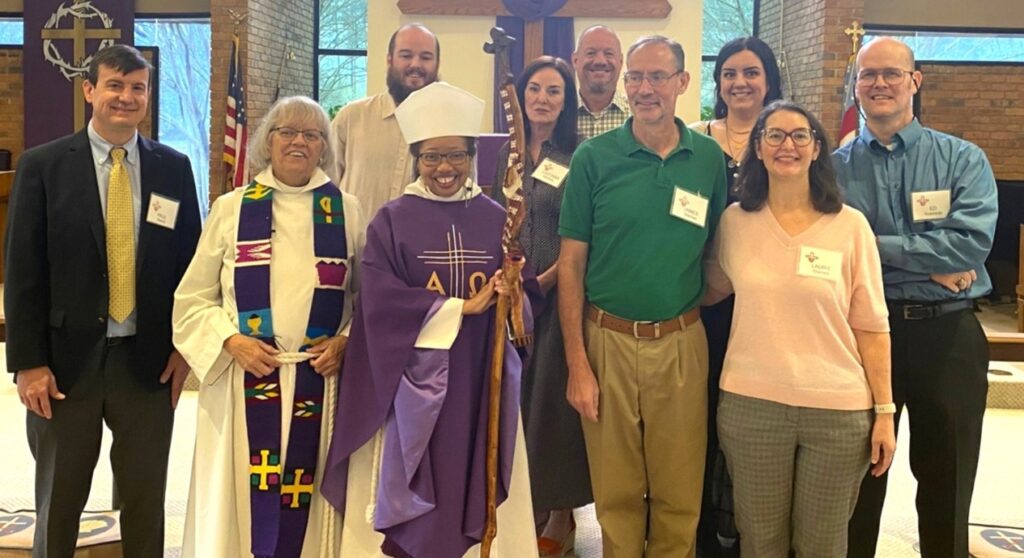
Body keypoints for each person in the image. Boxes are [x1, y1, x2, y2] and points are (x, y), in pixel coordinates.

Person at [321, 81, 540, 558]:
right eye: (432, 157)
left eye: (456, 155)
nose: (445, 168)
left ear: (472, 157)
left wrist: (512, 293)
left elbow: (525, 311)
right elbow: (378, 301)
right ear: (416, 159)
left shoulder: (497, 219)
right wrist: (460, 308)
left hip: (481, 377)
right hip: (412, 386)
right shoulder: (392, 220)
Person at [4, 44, 201, 557]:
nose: (126, 97)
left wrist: (184, 348)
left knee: (145, 500)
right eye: (115, 85)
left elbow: (192, 269)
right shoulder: (43, 165)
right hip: (64, 366)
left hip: (149, 362)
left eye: (137, 87)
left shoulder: (173, 168)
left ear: (148, 96)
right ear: (89, 90)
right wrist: (28, 363)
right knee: (60, 499)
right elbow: (22, 271)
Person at [172, 95, 364, 558]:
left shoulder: (347, 210)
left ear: (324, 148)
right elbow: (192, 298)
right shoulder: (232, 208)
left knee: (312, 497)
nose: (299, 142)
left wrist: (344, 341)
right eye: (287, 132)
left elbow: (370, 298)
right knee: (239, 499)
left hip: (320, 381)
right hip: (245, 379)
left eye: (311, 135)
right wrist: (231, 340)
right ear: (268, 141)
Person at [558, 36, 727, 557]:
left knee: (680, 492)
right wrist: (578, 364)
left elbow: (717, 250)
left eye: (657, 76)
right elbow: (571, 265)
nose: (644, 88)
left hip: (680, 343)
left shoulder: (708, 159)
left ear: (682, 82)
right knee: (617, 495)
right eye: (635, 77)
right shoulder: (593, 158)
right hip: (606, 341)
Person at [704, 100, 896, 557]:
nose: (786, 145)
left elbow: (872, 326)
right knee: (760, 543)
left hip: (837, 413)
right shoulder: (735, 222)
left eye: (799, 135)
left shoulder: (850, 227)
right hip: (752, 407)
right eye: (774, 135)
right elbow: (708, 290)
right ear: (758, 148)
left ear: (816, 148)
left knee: (822, 546)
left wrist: (885, 411)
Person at [834, 37, 998, 558]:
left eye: (891, 73)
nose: (879, 83)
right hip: (860, 337)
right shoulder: (830, 170)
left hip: (946, 334)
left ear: (915, 81)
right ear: (855, 86)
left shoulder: (962, 160)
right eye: (867, 74)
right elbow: (830, 252)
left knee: (948, 478)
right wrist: (930, 263)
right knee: (856, 483)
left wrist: (869, 245)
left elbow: (968, 244)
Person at [687, 35, 783, 556]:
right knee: (703, 419)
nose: (739, 82)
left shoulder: (785, 138)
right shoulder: (695, 140)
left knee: (755, 424)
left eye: (750, 72)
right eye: (729, 73)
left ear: (768, 80)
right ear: (717, 82)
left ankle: (753, 534)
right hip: (705, 303)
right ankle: (703, 534)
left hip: (767, 307)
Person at [491, 56, 588, 557]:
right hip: (507, 301)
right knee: (516, 404)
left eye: (554, 91)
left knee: (552, 407)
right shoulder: (502, 153)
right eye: (535, 89)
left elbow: (582, 232)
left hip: (554, 297)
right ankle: (521, 507)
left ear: (566, 101)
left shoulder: (577, 156)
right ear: (521, 96)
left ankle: (559, 514)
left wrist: (542, 283)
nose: (543, 99)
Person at [332, 23, 440, 222]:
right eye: (406, 55)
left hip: (423, 240)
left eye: (425, 57)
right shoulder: (351, 118)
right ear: (389, 60)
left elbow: (465, 200)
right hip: (357, 241)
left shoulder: (451, 126)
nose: (415, 64)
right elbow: (324, 188)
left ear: (437, 65)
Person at [572, 25, 629, 141]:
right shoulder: (559, 115)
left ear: (621, 61)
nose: (600, 61)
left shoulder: (637, 117)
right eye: (591, 53)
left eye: (609, 53)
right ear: (575, 60)